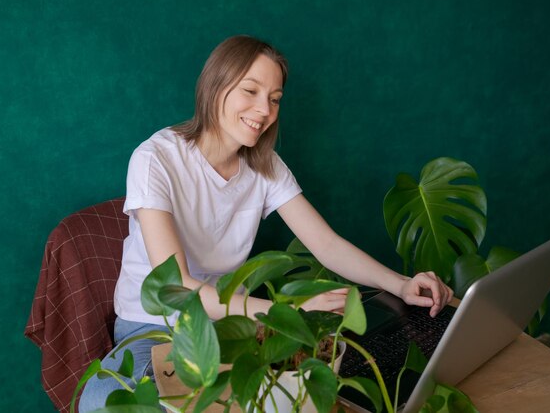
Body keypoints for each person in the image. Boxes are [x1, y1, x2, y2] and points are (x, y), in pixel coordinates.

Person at [78, 35, 453, 411]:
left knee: (319, 380)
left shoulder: (265, 166)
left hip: (228, 327)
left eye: (274, 99)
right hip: (154, 326)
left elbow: (326, 245)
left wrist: (402, 285)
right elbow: (177, 287)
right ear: (215, 87)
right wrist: (286, 315)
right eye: (251, 91)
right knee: (102, 401)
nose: (264, 110)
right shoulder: (155, 158)